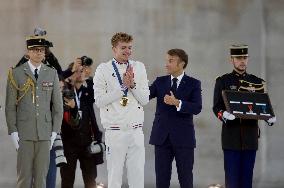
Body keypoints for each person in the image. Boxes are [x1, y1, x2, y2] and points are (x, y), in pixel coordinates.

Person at [213, 44, 277, 188]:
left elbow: (262, 106)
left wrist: (269, 118)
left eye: (245, 57)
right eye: (239, 58)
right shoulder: (223, 81)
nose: (242, 61)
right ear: (232, 60)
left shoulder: (257, 82)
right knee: (232, 182)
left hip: (250, 138)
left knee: (247, 182)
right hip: (231, 138)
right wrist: (224, 114)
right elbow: (216, 106)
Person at [5, 35, 63, 188]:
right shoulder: (16, 73)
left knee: (41, 179)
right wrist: (13, 132)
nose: (39, 53)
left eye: (42, 50)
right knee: (24, 178)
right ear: (28, 52)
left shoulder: (51, 73)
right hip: (24, 133)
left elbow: (58, 107)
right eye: (35, 50)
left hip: (45, 133)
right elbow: (10, 106)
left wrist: (54, 132)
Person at [93, 32, 149, 188]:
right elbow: (99, 101)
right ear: (114, 49)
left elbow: (144, 99)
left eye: (130, 47)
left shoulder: (139, 67)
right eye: (123, 47)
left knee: (137, 177)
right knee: (114, 177)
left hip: (136, 131)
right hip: (115, 131)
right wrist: (122, 87)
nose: (127, 51)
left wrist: (132, 85)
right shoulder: (103, 69)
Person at [149, 49, 202, 188]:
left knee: (185, 179)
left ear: (182, 64)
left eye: (170, 61)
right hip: (161, 138)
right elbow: (145, 95)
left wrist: (177, 102)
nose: (166, 64)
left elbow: (197, 108)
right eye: (166, 60)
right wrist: (132, 85)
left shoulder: (194, 83)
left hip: (184, 139)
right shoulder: (160, 82)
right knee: (161, 180)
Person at [60, 63, 103, 188]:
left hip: (87, 141)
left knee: (90, 179)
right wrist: (68, 74)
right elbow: (57, 77)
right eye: (77, 71)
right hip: (68, 142)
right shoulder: (64, 90)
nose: (80, 73)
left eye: (82, 71)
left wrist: (88, 77)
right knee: (67, 179)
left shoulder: (88, 91)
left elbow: (100, 89)